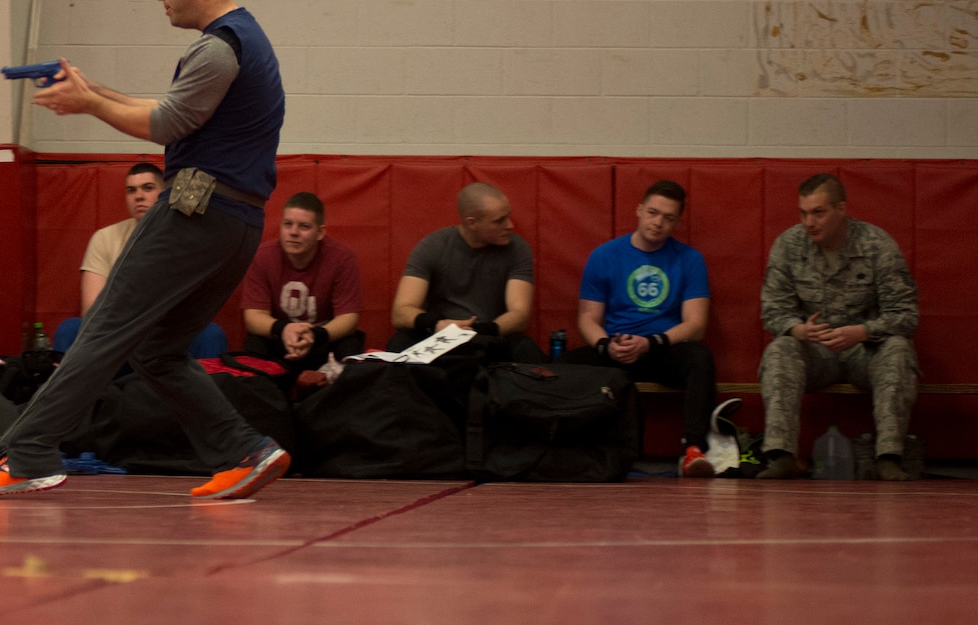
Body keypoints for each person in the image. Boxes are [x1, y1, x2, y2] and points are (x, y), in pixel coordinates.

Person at [0, 0, 289, 501]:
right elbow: (170, 111)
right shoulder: (241, 43)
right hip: (236, 222)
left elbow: (162, 125)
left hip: (196, 209)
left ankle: (30, 454)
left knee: (105, 328)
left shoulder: (219, 46)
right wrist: (92, 90)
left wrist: (87, 104)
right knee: (156, 349)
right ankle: (244, 450)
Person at [756, 173, 920, 481]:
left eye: (819, 212)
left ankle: (888, 457)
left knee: (898, 349)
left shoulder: (877, 245)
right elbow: (773, 311)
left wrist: (862, 332)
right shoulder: (789, 246)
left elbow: (906, 315)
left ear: (841, 209)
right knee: (780, 349)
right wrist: (798, 330)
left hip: (865, 350)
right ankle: (780, 455)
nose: (809, 222)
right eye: (803, 213)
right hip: (816, 352)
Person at [567, 180, 718, 477]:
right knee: (561, 367)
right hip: (616, 350)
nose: (658, 222)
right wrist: (605, 346)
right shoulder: (605, 255)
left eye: (668, 217)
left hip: (662, 350)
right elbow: (587, 318)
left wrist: (652, 342)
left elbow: (696, 325)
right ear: (639, 210)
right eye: (653, 212)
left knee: (700, 358)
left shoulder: (689, 259)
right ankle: (571, 450)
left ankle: (693, 449)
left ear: (677, 222)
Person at [388, 182, 541, 364]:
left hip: (490, 334)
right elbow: (401, 312)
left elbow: (519, 314)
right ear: (472, 223)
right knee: (399, 345)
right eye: (499, 221)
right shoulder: (432, 246)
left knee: (527, 352)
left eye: (508, 217)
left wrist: (480, 330)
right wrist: (438, 324)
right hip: (438, 335)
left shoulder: (518, 249)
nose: (510, 225)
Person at [240, 191, 365, 372]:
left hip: (322, 340)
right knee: (254, 344)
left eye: (304, 226)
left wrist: (315, 335)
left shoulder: (342, 258)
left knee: (350, 345)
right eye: (288, 224)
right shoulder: (263, 256)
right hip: (279, 339)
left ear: (320, 232)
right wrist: (284, 330)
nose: (293, 232)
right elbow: (253, 317)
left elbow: (348, 319)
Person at [80, 163, 163, 312]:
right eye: (131, 190)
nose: (139, 196)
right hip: (117, 327)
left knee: (210, 333)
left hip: (168, 327)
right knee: (68, 329)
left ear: (163, 193)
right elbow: (91, 308)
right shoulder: (105, 238)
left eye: (148, 188)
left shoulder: (182, 237)